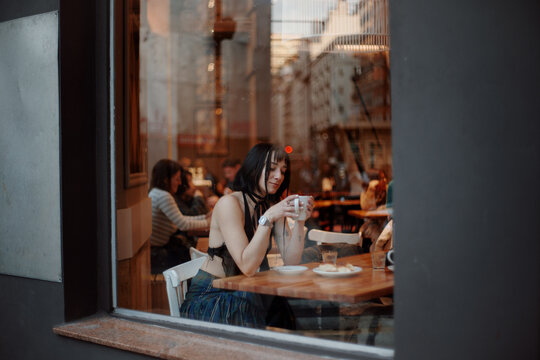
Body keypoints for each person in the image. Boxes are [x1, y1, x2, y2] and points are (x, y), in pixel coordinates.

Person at [180, 143, 314, 328]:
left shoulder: (271, 205)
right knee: (263, 305)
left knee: (284, 305)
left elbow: (291, 261)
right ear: (254, 168)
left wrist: (300, 221)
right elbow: (248, 267)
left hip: (245, 292)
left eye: (283, 171)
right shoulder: (230, 204)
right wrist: (268, 218)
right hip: (214, 296)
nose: (279, 176)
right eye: (272, 169)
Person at [149, 159, 211, 274]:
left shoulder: (157, 192)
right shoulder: (164, 196)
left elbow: (182, 218)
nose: (179, 183)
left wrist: (205, 218)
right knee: (197, 260)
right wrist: (208, 222)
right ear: (165, 180)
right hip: (157, 253)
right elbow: (183, 224)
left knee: (194, 253)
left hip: (157, 250)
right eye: (177, 179)